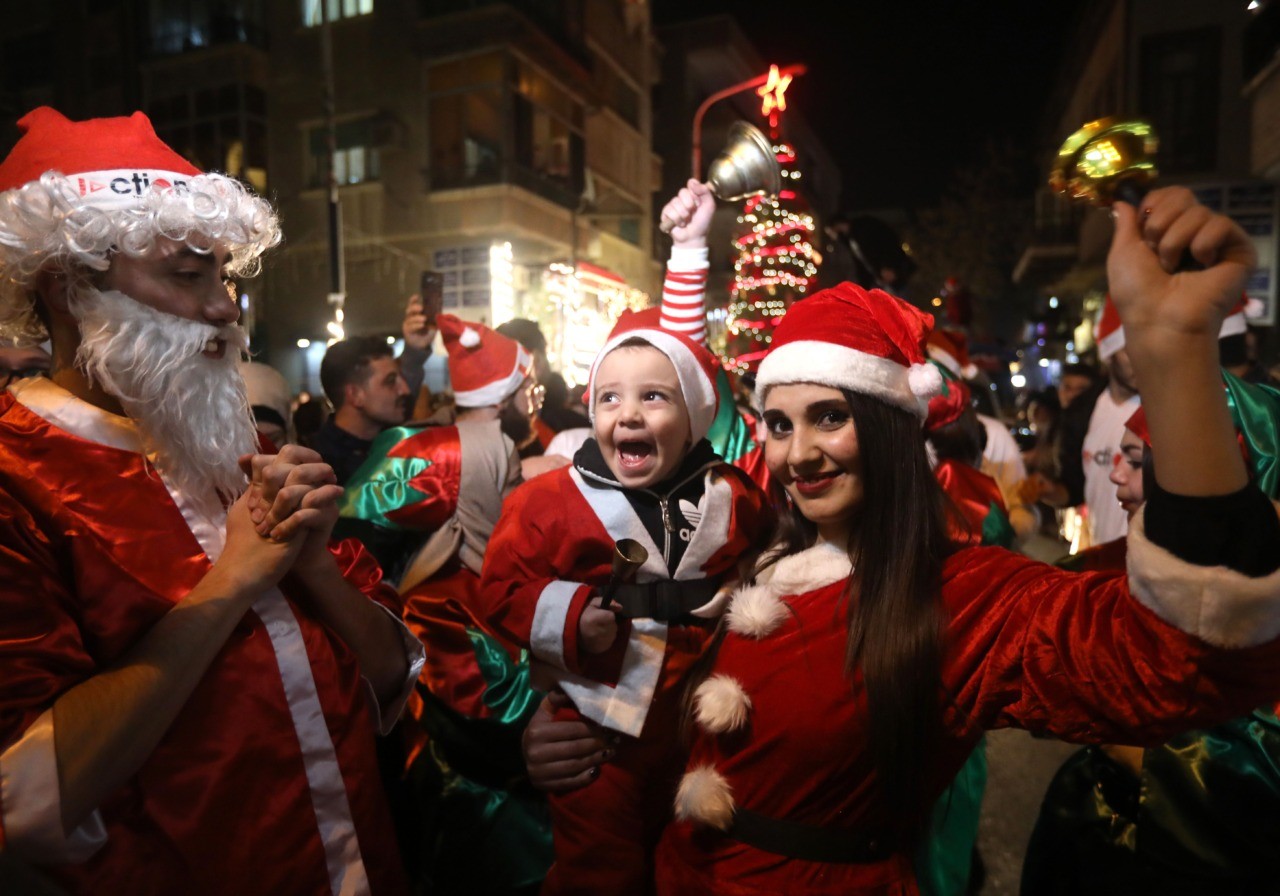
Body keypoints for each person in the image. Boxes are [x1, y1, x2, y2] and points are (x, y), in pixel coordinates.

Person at [528, 187, 1280, 894]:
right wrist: (555, 731)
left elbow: (1179, 662)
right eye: (779, 425)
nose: (798, 454)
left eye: (830, 417)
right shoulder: (752, 554)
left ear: (891, 429)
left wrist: (1175, 354)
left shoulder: (959, 596)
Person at [0, 107, 424, 894]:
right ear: (68, 287)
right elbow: (26, 799)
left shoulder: (235, 445)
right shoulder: (15, 477)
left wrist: (315, 566)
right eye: (189, 276)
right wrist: (230, 582)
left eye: (224, 276)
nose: (227, 307)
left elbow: (394, 679)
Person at [479, 318, 772, 895]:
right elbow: (500, 588)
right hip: (598, 719)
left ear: (693, 417)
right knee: (600, 867)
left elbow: (767, 557)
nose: (628, 414)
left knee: (695, 855)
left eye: (653, 397)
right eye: (609, 397)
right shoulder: (546, 500)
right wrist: (569, 616)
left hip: (699, 715)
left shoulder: (733, 494)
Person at [1022, 375, 1280, 895]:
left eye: (1138, 462)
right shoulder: (1109, 570)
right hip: (1093, 841)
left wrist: (1124, 738)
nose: (1115, 474)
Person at [313, 335, 414, 484]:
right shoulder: (320, 468)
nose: (405, 390)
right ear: (355, 395)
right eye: (391, 381)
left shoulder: (397, 442)